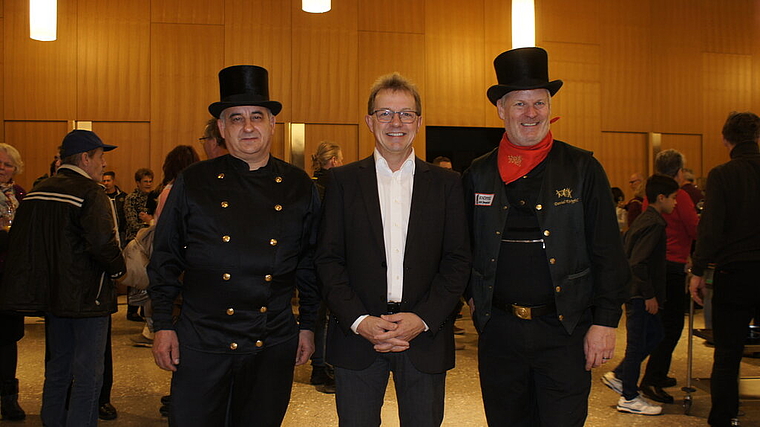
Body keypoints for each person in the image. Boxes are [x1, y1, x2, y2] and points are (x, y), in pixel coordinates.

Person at [462, 47, 629, 426]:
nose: (531, 113)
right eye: (520, 104)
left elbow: (608, 251)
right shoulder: (478, 173)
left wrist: (604, 321)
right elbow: (462, 248)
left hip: (565, 330)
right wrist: (473, 298)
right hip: (500, 334)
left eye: (539, 102)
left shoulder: (582, 167)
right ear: (501, 110)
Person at [148, 65, 319, 426]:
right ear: (222, 129)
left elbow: (309, 263)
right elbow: (164, 257)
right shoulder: (193, 182)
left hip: (271, 339)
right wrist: (162, 323)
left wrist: (308, 325)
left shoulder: (297, 185)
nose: (248, 127)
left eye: (257, 116)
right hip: (202, 338)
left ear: (273, 124)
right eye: (236, 118)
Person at [316, 73, 471, 427]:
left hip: (425, 337)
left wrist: (423, 319)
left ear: (419, 120)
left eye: (406, 114)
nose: (396, 123)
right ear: (370, 120)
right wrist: (359, 320)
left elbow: (458, 260)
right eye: (385, 113)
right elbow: (328, 259)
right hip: (357, 336)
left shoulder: (448, 184)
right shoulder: (342, 182)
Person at [0, 130, 126, 427]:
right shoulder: (91, 192)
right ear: (85, 158)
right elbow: (101, 243)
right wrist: (120, 270)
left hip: (52, 298)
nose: (103, 164)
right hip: (87, 298)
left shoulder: (37, 192)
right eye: (100, 157)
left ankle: (52, 420)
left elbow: (22, 242)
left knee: (57, 367)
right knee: (87, 374)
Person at [690, 111, 760, 427]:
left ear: (725, 139)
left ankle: (723, 418)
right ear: (758, 138)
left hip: (736, 273)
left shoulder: (722, 175)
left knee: (728, 354)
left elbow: (711, 228)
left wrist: (698, 270)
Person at [602, 174, 679, 416]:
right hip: (639, 294)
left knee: (656, 335)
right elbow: (638, 263)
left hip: (638, 292)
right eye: (674, 198)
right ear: (661, 197)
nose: (676, 203)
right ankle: (629, 396)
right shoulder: (653, 223)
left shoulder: (648, 219)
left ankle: (621, 375)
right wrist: (648, 295)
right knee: (637, 345)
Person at [637, 149, 698, 404]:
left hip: (658, 264)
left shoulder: (649, 196)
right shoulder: (679, 195)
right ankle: (652, 377)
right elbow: (694, 227)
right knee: (671, 327)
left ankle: (657, 374)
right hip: (672, 265)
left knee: (663, 325)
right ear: (679, 171)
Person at [309, 140, 343, 394]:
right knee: (329, 315)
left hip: (308, 258)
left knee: (315, 314)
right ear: (333, 160)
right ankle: (323, 368)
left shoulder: (310, 185)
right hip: (329, 258)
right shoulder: (337, 184)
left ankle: (317, 367)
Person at [0, 143, 26, 421]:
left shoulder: (20, 195)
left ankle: (9, 399)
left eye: (7, 164)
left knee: (8, 340)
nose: (2, 169)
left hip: (10, 279)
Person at [102, 171, 127, 245]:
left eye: (108, 180)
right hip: (107, 232)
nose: (106, 183)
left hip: (122, 232)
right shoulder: (101, 197)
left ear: (113, 181)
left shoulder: (123, 196)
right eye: (104, 181)